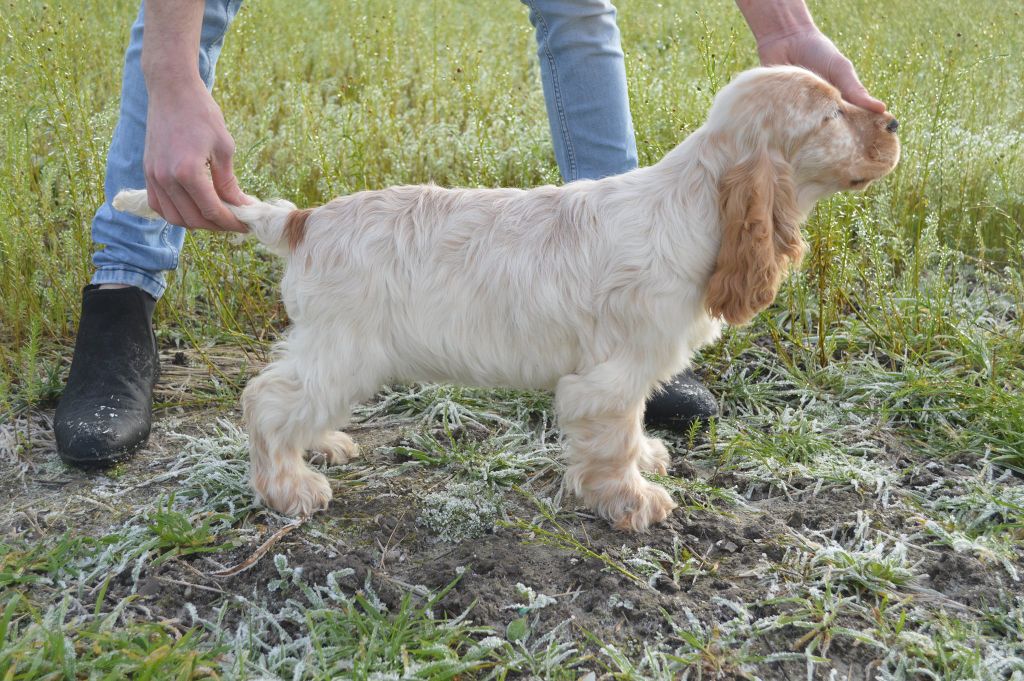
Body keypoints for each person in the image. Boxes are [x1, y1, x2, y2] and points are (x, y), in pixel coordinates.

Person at [54, 0, 886, 467]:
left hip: (390, 241)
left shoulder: (700, 215)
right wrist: (173, 72)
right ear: (760, 183)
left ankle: (621, 409)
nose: (866, 127)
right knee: (351, 351)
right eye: (831, 120)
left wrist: (785, 27)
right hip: (360, 256)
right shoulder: (710, 213)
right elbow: (588, 396)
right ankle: (268, 417)